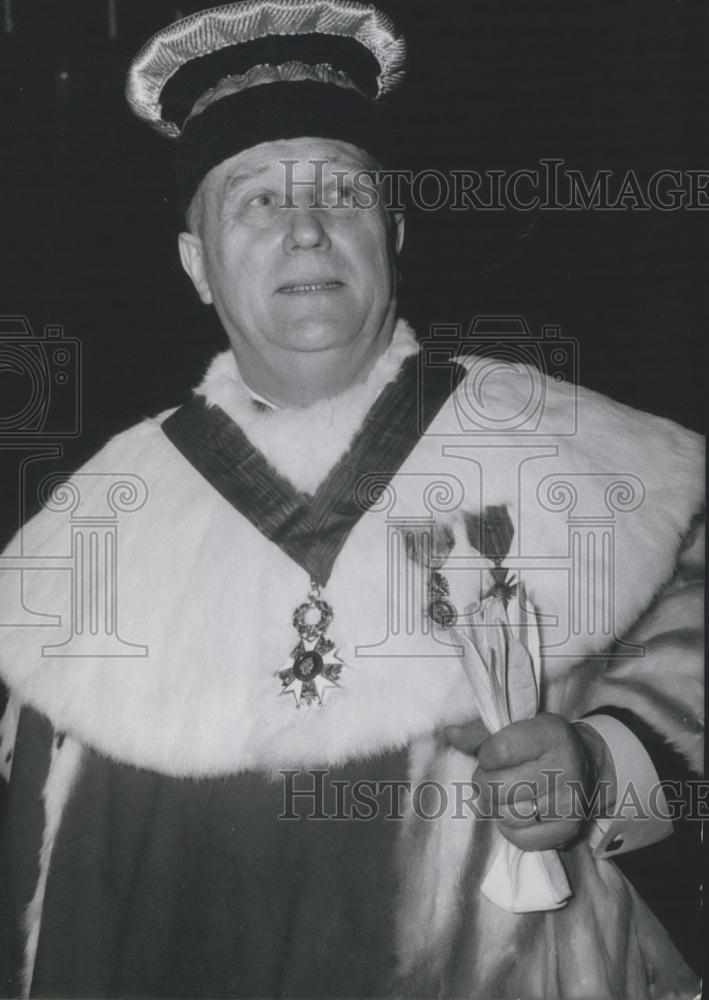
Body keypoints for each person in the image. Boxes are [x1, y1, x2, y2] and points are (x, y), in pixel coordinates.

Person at [0, 2, 703, 997]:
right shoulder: (90, 530)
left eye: (342, 192)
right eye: (253, 201)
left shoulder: (596, 463)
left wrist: (596, 764)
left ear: (394, 231)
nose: (305, 229)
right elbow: (34, 876)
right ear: (197, 265)